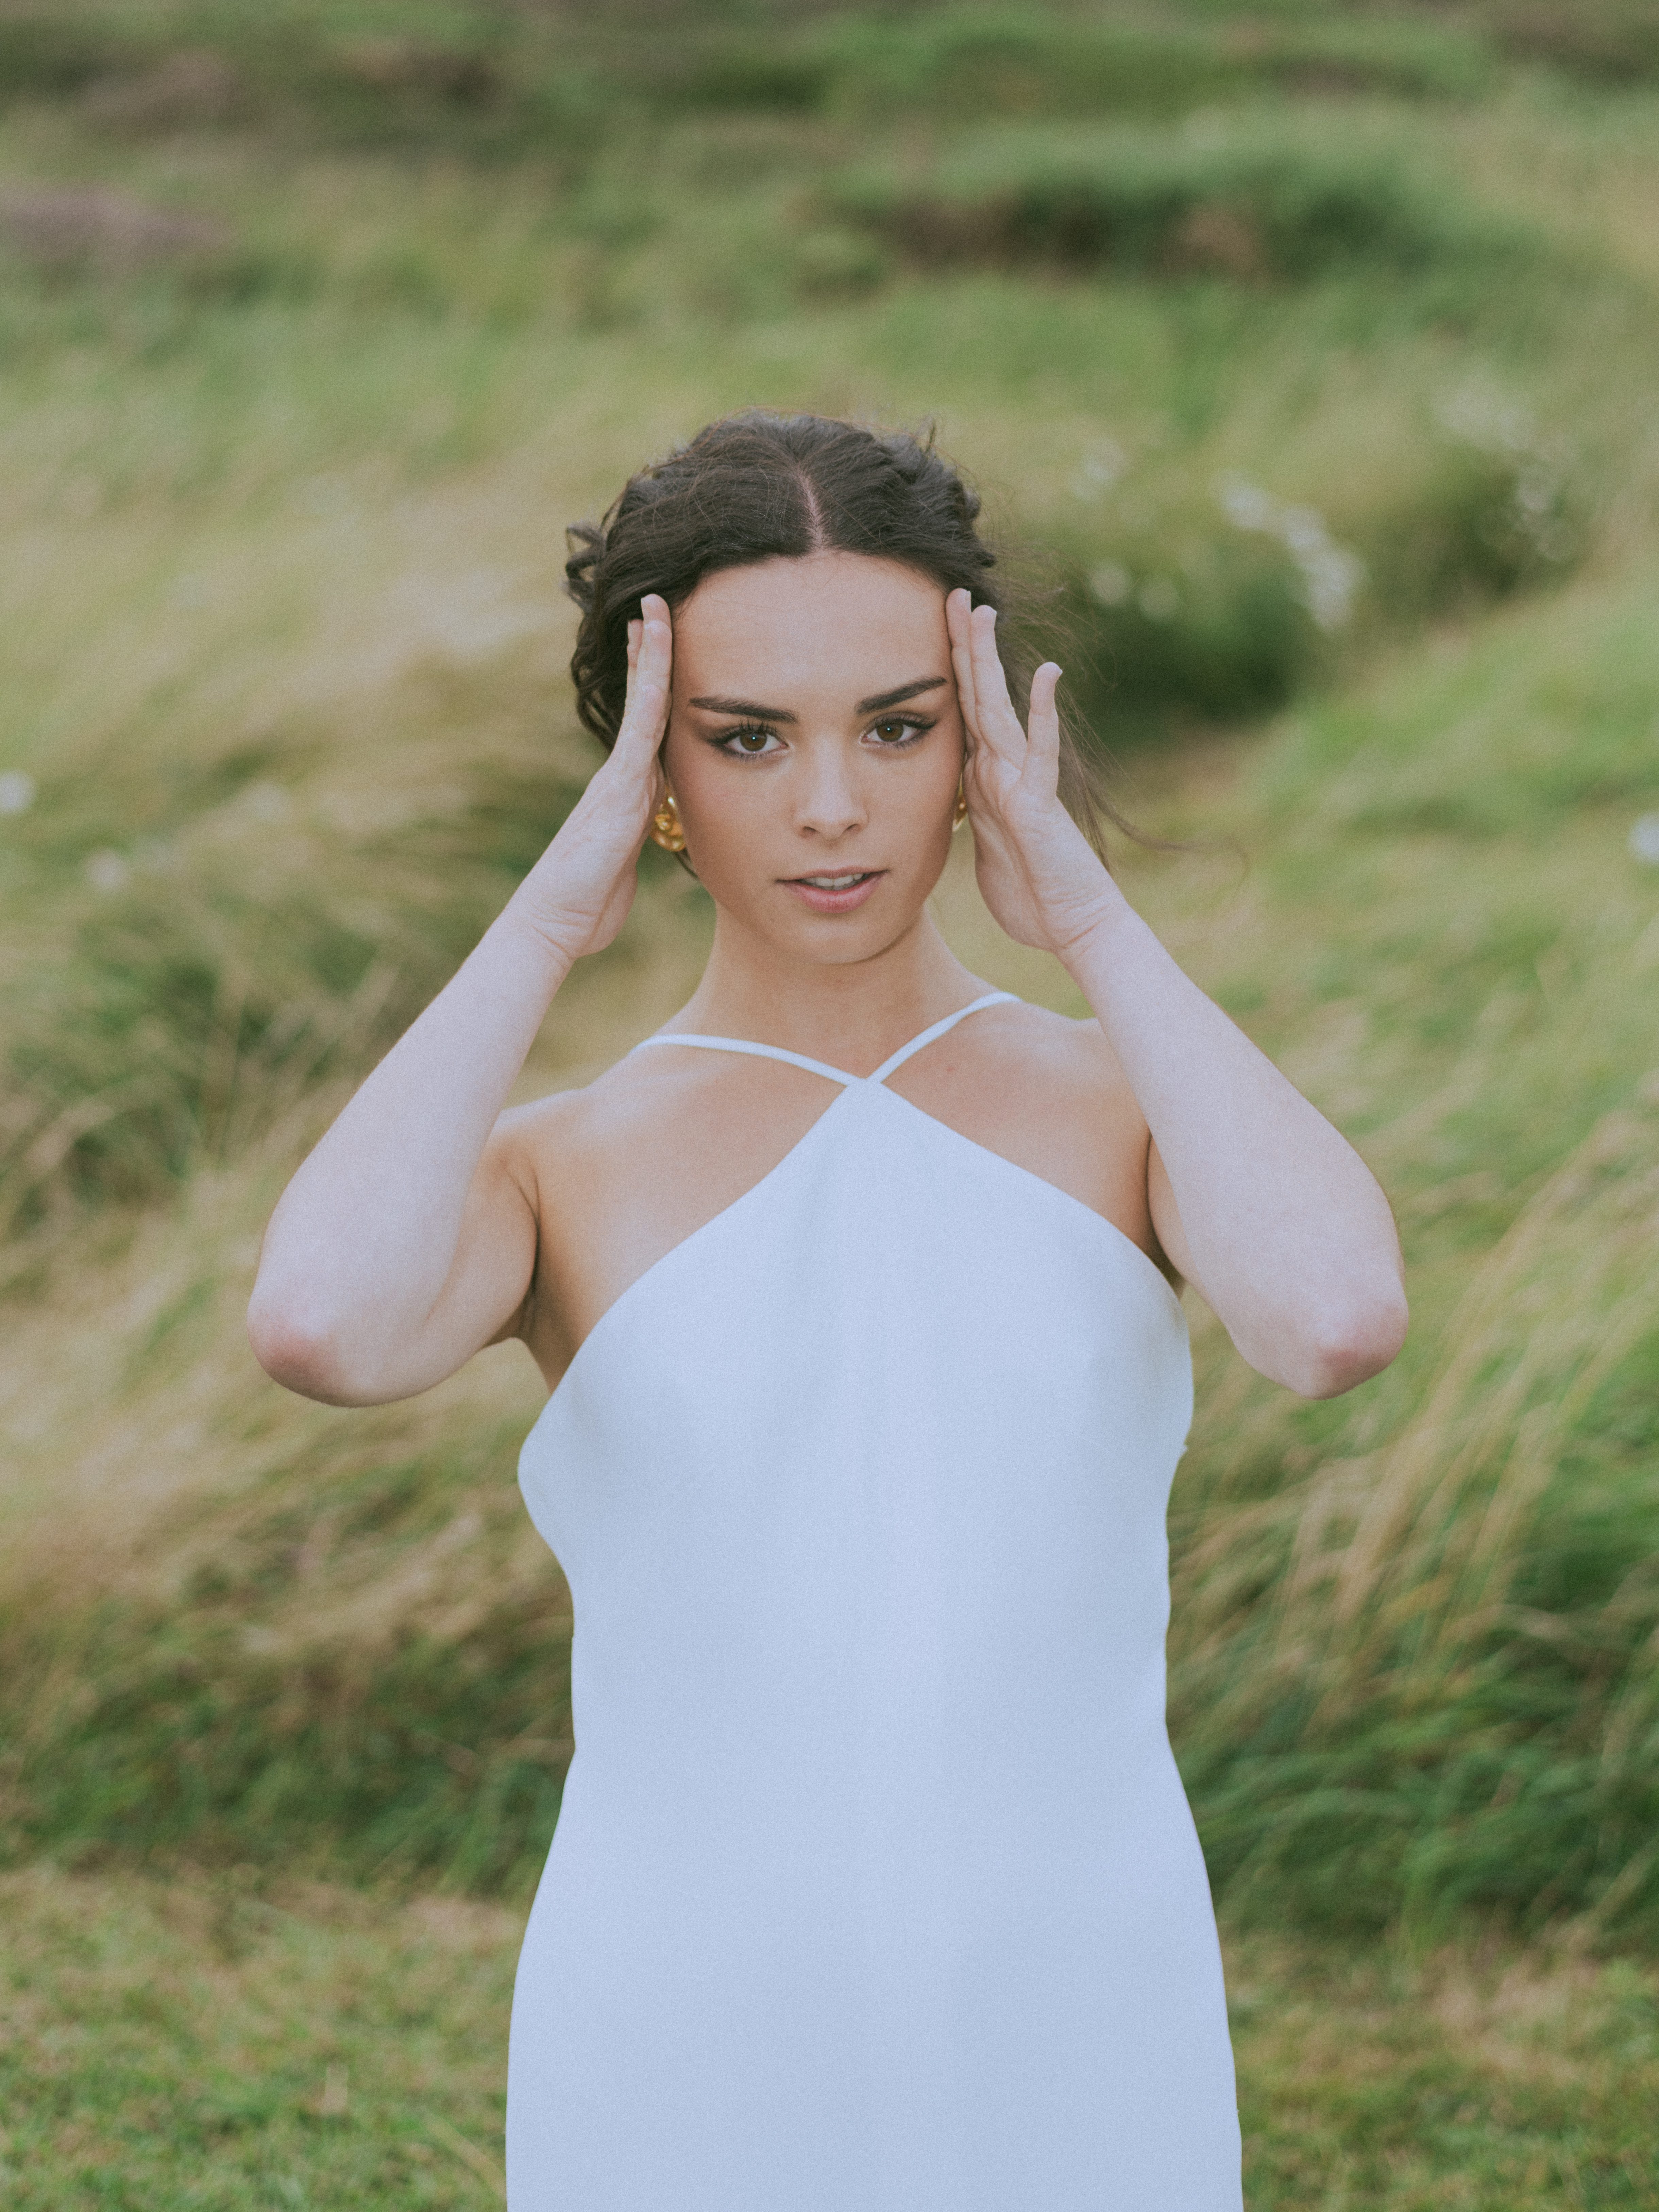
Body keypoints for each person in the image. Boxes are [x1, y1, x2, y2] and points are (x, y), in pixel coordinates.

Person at [248, 411, 1407, 2210]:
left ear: (980, 736)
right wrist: (557, 907)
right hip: (681, 2041)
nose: (833, 806)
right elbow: (322, 1321)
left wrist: (1086, 911)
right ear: (653, 771)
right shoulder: (565, 1165)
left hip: (1082, 2017)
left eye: (897, 725)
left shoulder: (1121, 1109)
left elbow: (1333, 1315)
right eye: (744, 739)